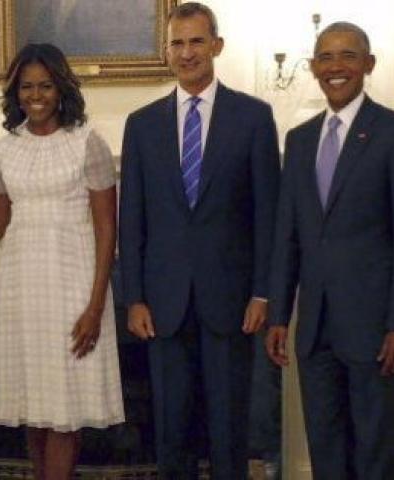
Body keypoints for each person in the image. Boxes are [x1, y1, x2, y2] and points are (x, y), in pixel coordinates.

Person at [119, 3, 281, 478]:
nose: (187, 52)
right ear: (166, 52)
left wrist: (263, 292)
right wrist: (134, 297)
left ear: (216, 45)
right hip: (162, 306)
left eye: (196, 41)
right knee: (171, 430)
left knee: (229, 429)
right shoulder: (142, 124)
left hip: (232, 302)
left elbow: (267, 215)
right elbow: (132, 219)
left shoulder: (253, 117)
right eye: (177, 43)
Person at [265, 22, 394, 480]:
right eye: (325, 57)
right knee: (327, 456)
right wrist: (279, 315)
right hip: (314, 331)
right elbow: (288, 237)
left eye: (347, 56)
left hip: (377, 332)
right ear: (313, 67)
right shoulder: (299, 140)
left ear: (368, 64)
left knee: (375, 456)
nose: (335, 66)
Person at [0, 43, 124, 480]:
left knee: (65, 408)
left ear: (62, 88)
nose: (36, 95)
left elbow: (107, 230)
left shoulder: (87, 142)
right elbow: (0, 222)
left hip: (74, 289)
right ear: (16, 92)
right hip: (22, 291)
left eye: (45, 85)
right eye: (27, 86)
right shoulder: (5, 148)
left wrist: (95, 306)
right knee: (35, 405)